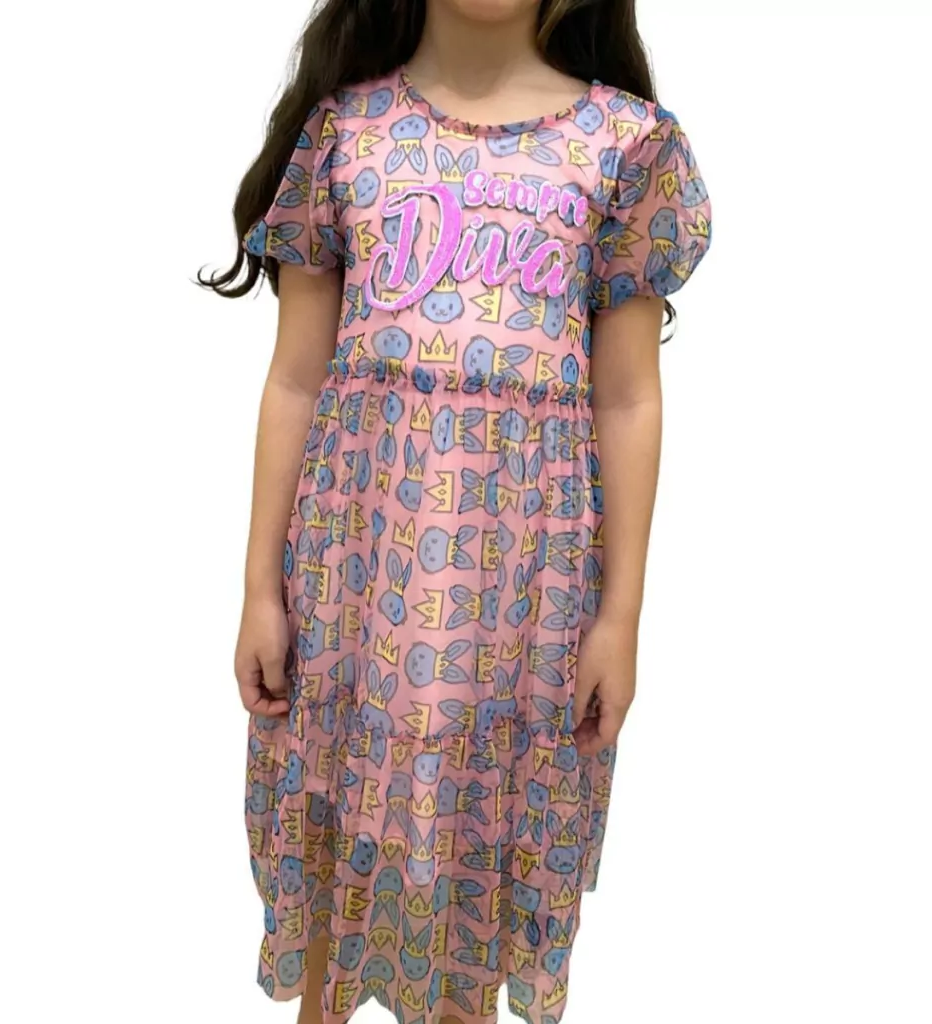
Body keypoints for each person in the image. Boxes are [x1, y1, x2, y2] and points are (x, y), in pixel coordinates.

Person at [201, 1, 712, 1021]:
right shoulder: (346, 135)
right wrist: (259, 587)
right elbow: (296, 378)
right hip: (353, 587)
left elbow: (627, 398)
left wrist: (621, 614)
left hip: (522, 604)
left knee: (474, 884)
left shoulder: (626, 148)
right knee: (333, 866)